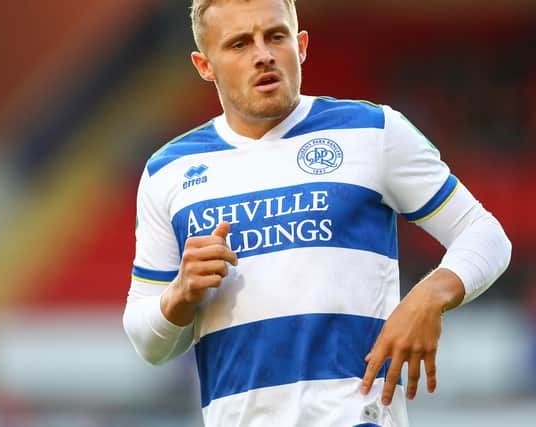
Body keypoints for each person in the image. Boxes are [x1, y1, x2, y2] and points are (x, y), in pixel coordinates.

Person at [122, 0, 512, 426]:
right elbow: (148, 342)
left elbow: (484, 234)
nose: (263, 54)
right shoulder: (168, 171)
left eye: (275, 36)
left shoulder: (374, 132)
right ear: (205, 65)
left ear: (301, 44)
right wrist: (179, 295)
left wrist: (428, 297)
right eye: (239, 44)